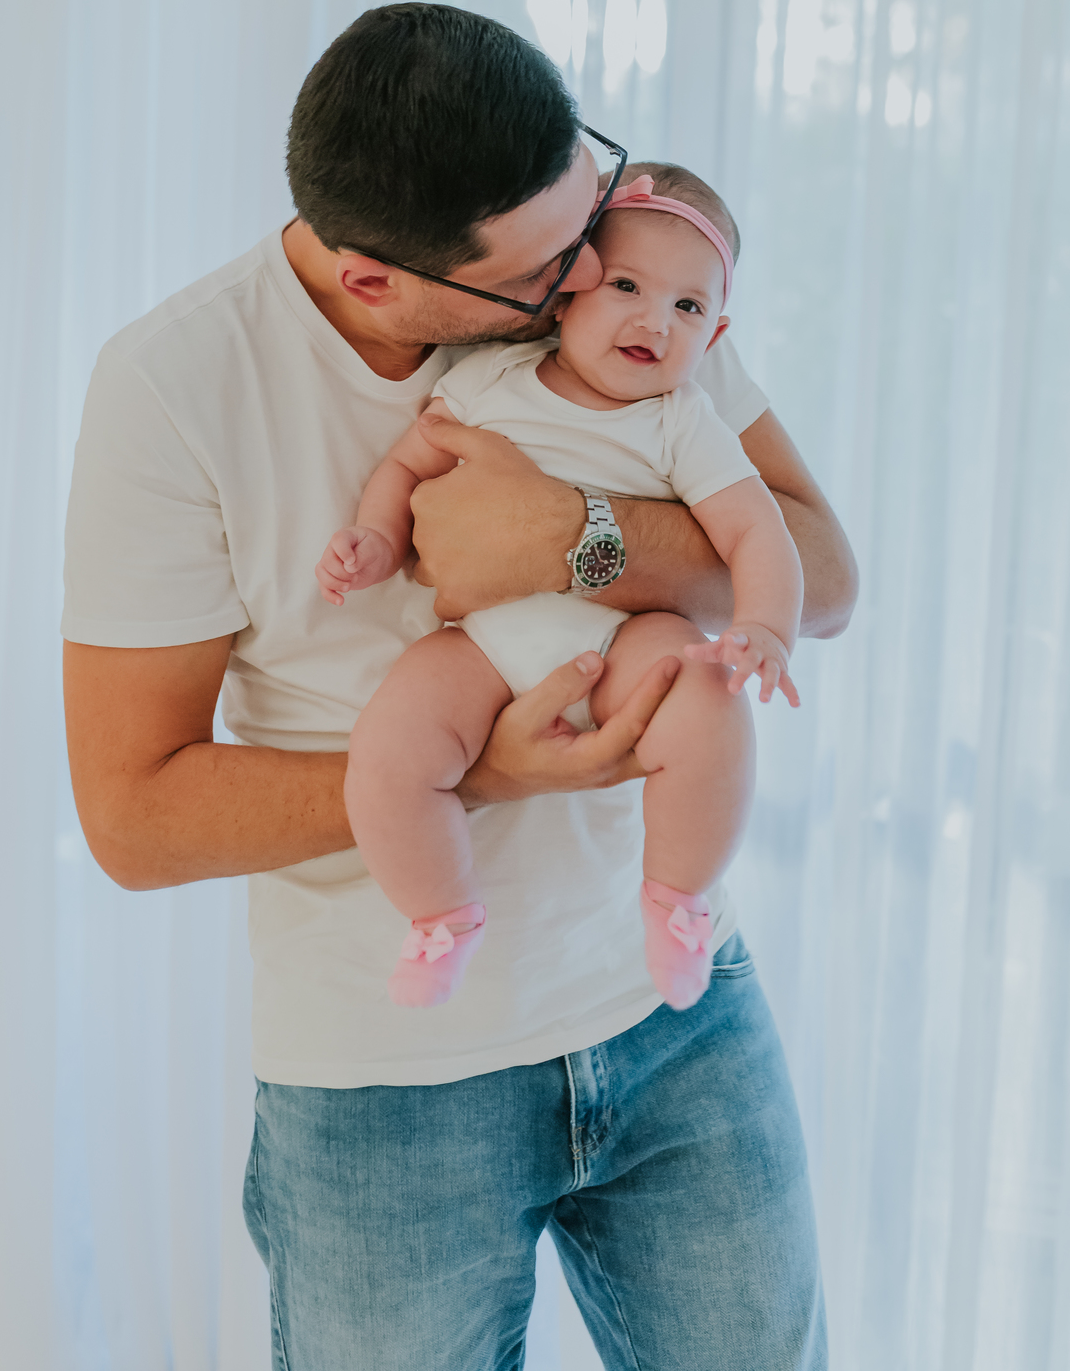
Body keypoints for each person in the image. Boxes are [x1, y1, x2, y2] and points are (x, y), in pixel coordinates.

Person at [63, 3, 855, 1369]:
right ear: (376, 280)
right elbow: (135, 817)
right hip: (388, 1087)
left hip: (674, 1013)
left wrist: (579, 536)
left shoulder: (629, 276)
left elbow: (821, 575)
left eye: (593, 204)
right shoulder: (177, 387)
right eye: (555, 268)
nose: (598, 278)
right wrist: (483, 771)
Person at [318, 165, 803, 1014]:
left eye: (688, 308)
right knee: (390, 754)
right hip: (483, 640)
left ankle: (679, 901)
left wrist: (765, 625)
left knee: (709, 697)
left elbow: (757, 531)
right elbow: (410, 464)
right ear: (568, 291)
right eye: (626, 286)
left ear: (715, 334)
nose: (655, 320)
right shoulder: (491, 381)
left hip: (629, 636)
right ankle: (440, 916)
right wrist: (375, 539)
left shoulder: (681, 419)